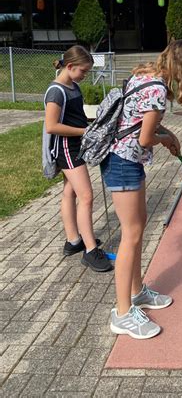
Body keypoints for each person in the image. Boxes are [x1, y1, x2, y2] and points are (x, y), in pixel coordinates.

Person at [102, 39, 182, 339]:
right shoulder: (158, 89)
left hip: (125, 160)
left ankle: (136, 292)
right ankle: (122, 314)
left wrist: (168, 134)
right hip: (123, 161)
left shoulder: (146, 74)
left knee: (138, 227)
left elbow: (139, 123)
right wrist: (163, 139)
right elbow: (145, 138)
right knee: (130, 236)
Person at [44, 45, 113, 272]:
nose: (84, 76)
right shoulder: (56, 91)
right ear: (70, 66)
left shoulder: (72, 85)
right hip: (66, 148)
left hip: (76, 145)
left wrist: (90, 126)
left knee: (69, 192)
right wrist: (84, 132)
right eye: (83, 71)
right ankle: (90, 250)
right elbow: (52, 126)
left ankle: (73, 240)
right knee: (86, 196)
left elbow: (76, 117)